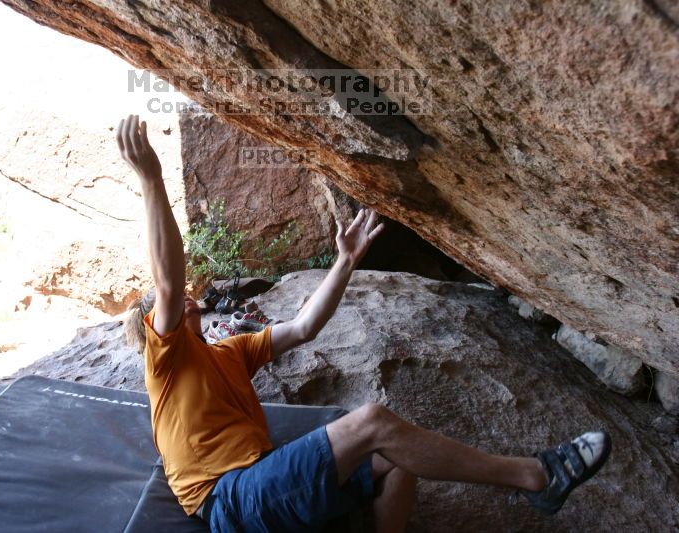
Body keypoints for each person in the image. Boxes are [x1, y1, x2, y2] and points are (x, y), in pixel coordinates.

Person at [118, 114, 611, 532]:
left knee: (401, 458)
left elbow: (305, 326)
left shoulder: (227, 353)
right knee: (372, 421)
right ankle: (536, 477)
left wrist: (345, 262)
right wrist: (151, 181)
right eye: (175, 302)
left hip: (266, 478)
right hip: (232, 500)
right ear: (154, 328)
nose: (188, 298)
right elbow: (166, 283)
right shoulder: (165, 362)